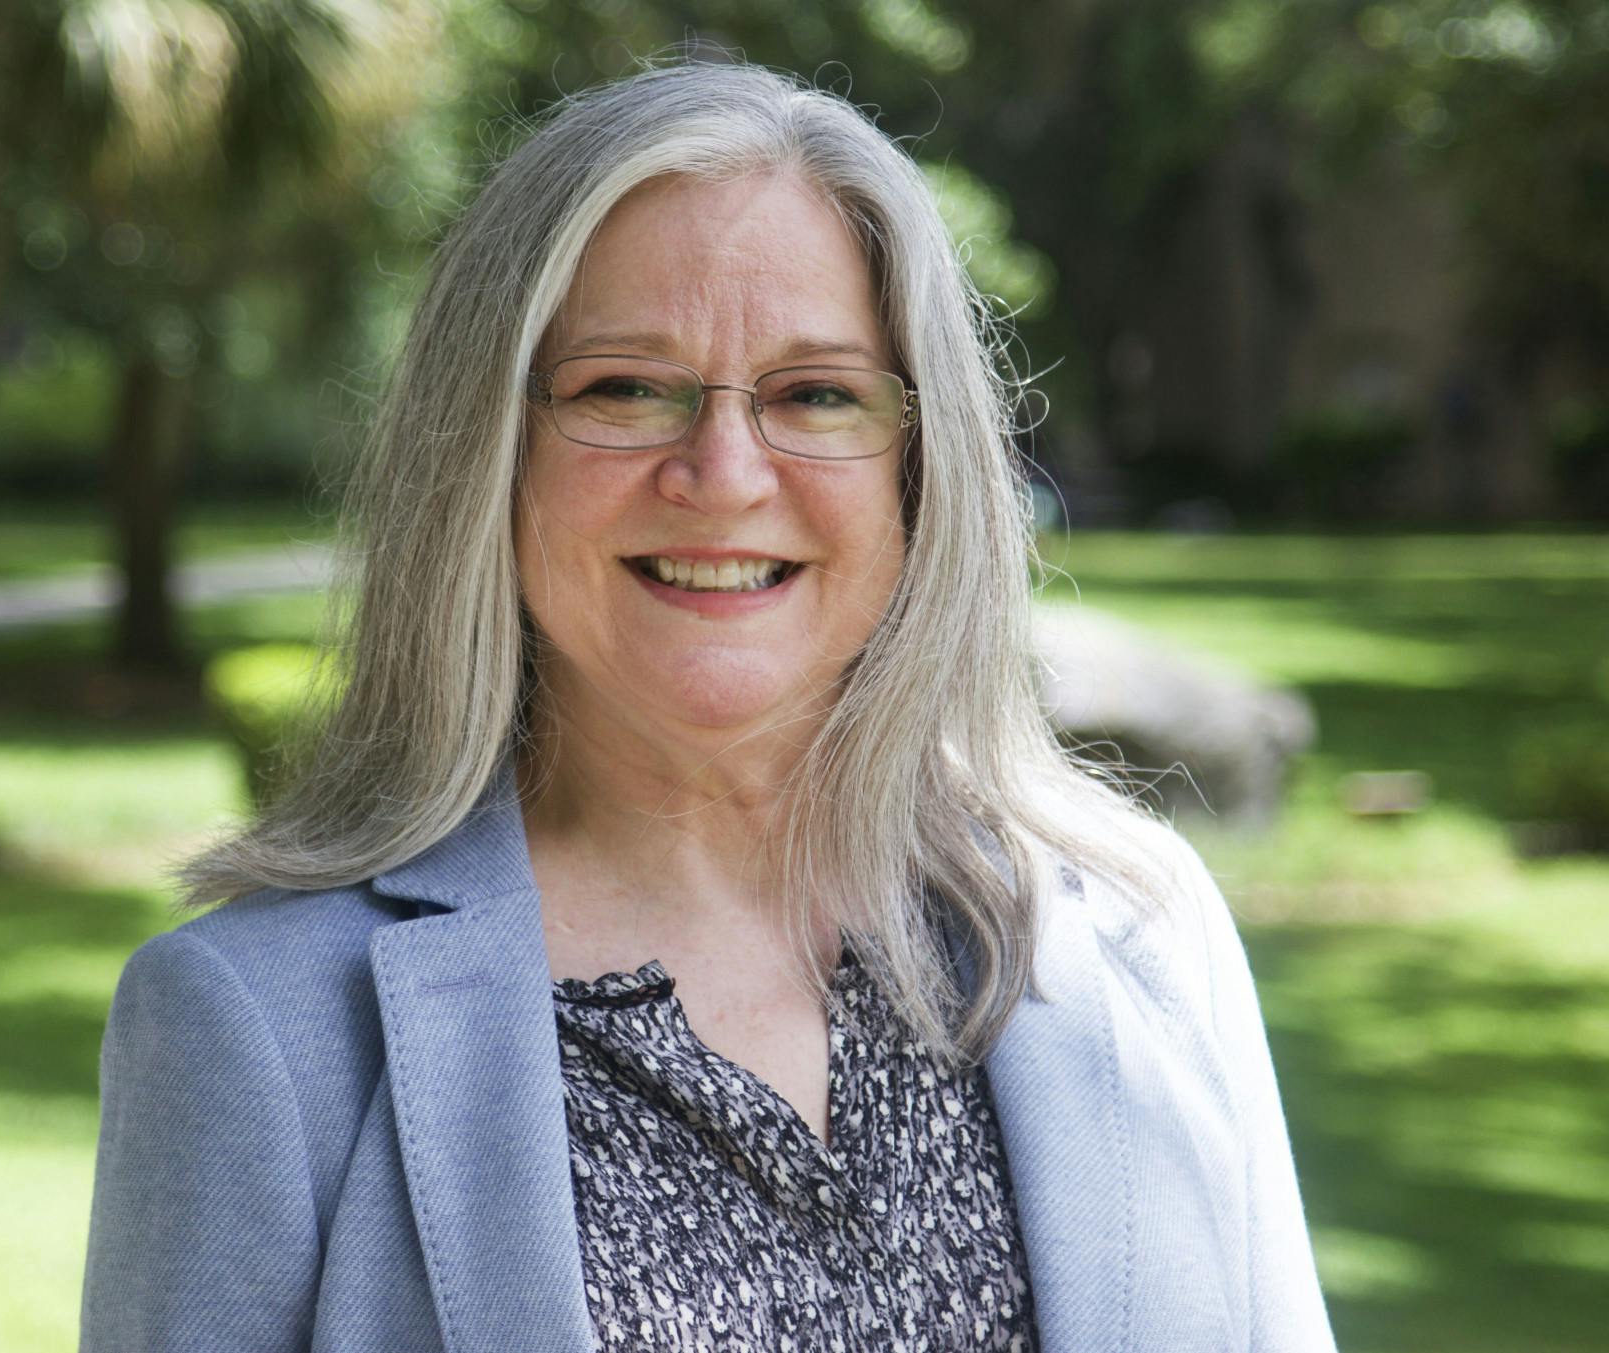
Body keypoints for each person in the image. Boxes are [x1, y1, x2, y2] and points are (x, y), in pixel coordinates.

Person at [80, 61, 1338, 1353]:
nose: (724, 474)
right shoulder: (263, 1033)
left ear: (920, 466)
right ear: (488, 456)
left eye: (816, 394)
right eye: (626, 387)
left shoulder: (1146, 940)